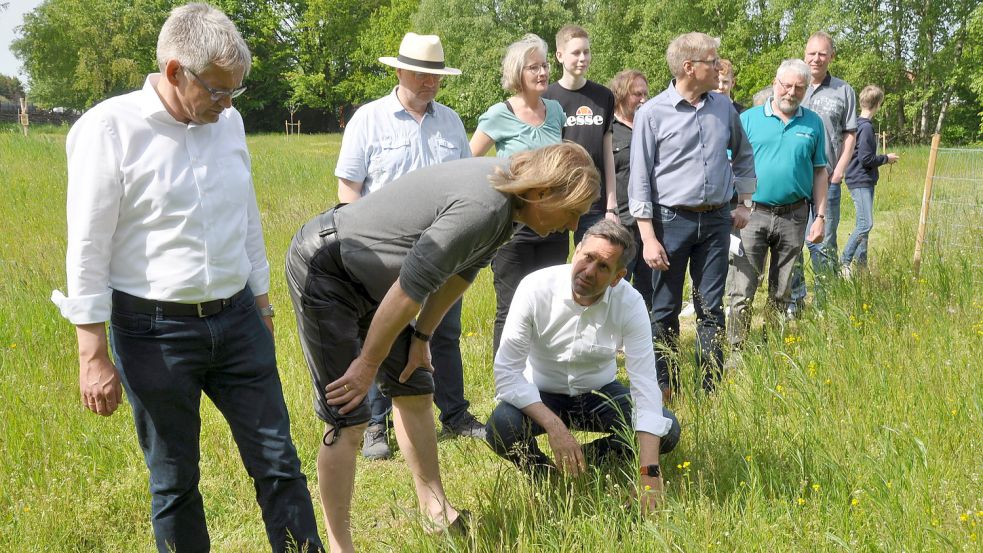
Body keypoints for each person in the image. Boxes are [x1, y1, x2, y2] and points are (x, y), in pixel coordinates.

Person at [50, 4, 322, 552]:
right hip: (153, 332)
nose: (227, 106)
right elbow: (88, 245)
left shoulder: (229, 123)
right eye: (218, 92)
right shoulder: (108, 129)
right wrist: (92, 353)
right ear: (175, 71)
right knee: (175, 481)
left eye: (234, 93)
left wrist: (263, 305)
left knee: (279, 462)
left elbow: (245, 217)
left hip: (238, 319)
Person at [286, 143, 599, 553]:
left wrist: (420, 339)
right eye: (572, 211)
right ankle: (340, 545)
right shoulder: (485, 206)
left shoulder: (509, 208)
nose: (573, 225)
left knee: (415, 386)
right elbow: (410, 287)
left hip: (379, 285)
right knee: (347, 414)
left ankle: (435, 511)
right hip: (329, 268)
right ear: (543, 193)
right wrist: (366, 364)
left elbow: (460, 273)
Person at [335, 32, 484, 461]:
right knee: (382, 332)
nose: (428, 82)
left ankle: (454, 415)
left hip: (443, 249)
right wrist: (361, 250)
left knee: (443, 332)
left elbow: (465, 184)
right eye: (420, 73)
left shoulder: (452, 122)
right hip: (386, 251)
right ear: (399, 71)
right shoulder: (369, 119)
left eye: (435, 75)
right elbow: (349, 189)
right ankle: (375, 426)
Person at [486, 220, 681, 513]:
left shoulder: (631, 303)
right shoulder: (535, 288)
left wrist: (649, 473)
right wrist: (555, 427)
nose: (589, 272)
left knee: (667, 430)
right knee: (501, 427)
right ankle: (544, 474)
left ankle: (581, 461)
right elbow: (507, 373)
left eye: (603, 267)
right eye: (587, 257)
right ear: (575, 250)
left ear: (618, 277)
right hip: (541, 394)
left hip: (598, 393)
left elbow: (644, 384)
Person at [628, 32, 756, 394]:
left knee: (710, 308)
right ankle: (666, 384)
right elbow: (639, 180)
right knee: (664, 309)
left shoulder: (723, 107)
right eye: (713, 61)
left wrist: (744, 202)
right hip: (670, 223)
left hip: (717, 221)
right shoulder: (652, 113)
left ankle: (709, 387)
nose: (719, 67)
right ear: (689, 67)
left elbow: (743, 154)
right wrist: (648, 238)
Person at [470, 33, 567, 353]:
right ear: (517, 73)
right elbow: (468, 163)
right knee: (511, 307)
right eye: (533, 68)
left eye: (544, 66)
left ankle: (544, 379)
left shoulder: (555, 111)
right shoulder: (500, 114)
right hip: (512, 230)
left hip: (553, 226)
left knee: (550, 304)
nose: (542, 73)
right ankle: (508, 384)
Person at [727, 59, 829, 349]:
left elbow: (820, 170)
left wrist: (819, 216)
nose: (791, 92)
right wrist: (734, 205)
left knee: (783, 291)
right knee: (742, 289)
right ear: (775, 83)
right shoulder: (747, 120)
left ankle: (772, 348)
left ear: (806, 90)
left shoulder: (813, 124)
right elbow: (728, 163)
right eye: (786, 85)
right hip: (751, 214)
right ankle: (737, 349)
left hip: (794, 215)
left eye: (799, 87)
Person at [788, 31, 858, 312]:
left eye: (822, 54)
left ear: (831, 57)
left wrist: (839, 171)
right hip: (793, 183)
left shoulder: (843, 90)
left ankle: (826, 306)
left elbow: (850, 134)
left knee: (823, 245)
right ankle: (795, 301)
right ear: (805, 55)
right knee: (790, 245)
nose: (816, 59)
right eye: (811, 53)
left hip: (826, 181)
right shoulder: (793, 86)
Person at [544, 24, 619, 244]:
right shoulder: (547, 97)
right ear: (559, 55)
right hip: (558, 198)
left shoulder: (604, 96)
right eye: (576, 52)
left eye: (586, 52)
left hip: (594, 200)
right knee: (554, 265)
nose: (583, 58)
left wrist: (611, 205)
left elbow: (608, 154)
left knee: (592, 266)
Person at [841, 85, 900, 275]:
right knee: (866, 224)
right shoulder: (865, 128)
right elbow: (866, 159)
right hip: (860, 180)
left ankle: (861, 267)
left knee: (862, 223)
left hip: (860, 179)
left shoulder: (856, 124)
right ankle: (845, 261)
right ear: (877, 104)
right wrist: (886, 158)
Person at [609, 69, 654, 310]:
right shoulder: (609, 130)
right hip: (621, 221)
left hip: (651, 220)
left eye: (646, 93)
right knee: (616, 283)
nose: (643, 99)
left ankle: (644, 338)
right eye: (637, 94)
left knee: (649, 286)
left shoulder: (652, 124)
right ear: (621, 94)